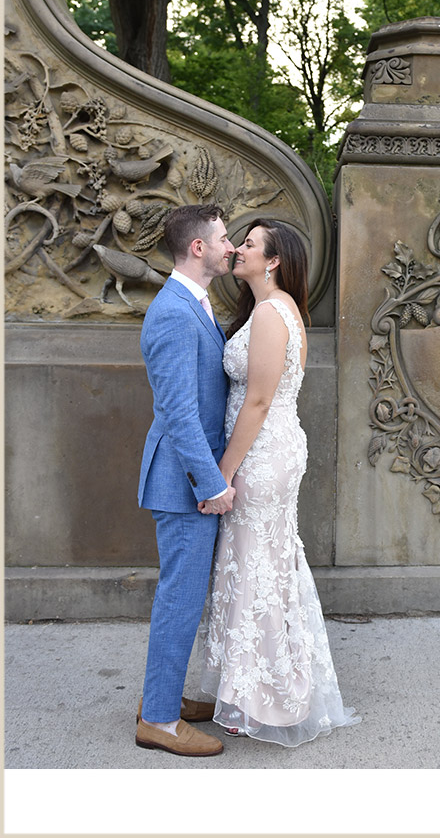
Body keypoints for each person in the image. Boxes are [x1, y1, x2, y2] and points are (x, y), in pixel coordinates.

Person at [198, 218, 359, 746]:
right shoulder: (277, 308)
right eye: (239, 242)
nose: (239, 249)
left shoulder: (271, 312)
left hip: (262, 455)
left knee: (254, 569)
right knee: (265, 567)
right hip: (273, 449)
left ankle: (266, 696)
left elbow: (260, 401)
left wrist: (222, 471)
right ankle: (259, 688)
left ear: (274, 261)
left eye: (249, 244)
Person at [135, 204, 237, 758]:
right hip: (183, 483)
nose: (230, 246)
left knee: (184, 596)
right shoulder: (174, 311)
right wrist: (210, 484)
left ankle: (163, 699)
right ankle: (157, 720)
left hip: (190, 478)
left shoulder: (193, 302)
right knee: (179, 598)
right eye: (223, 238)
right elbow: (178, 411)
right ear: (198, 247)